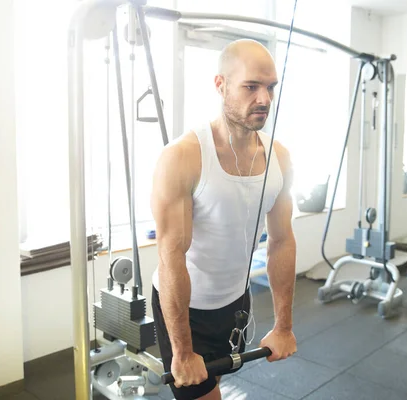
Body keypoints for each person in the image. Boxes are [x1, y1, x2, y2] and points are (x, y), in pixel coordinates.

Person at [150, 38, 298, 400]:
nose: (264, 98)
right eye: (251, 86)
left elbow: (282, 240)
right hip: (187, 309)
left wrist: (283, 325)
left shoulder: (279, 156)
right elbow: (171, 256)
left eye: (270, 87)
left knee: (216, 385)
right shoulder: (183, 157)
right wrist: (183, 352)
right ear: (221, 85)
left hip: (236, 302)